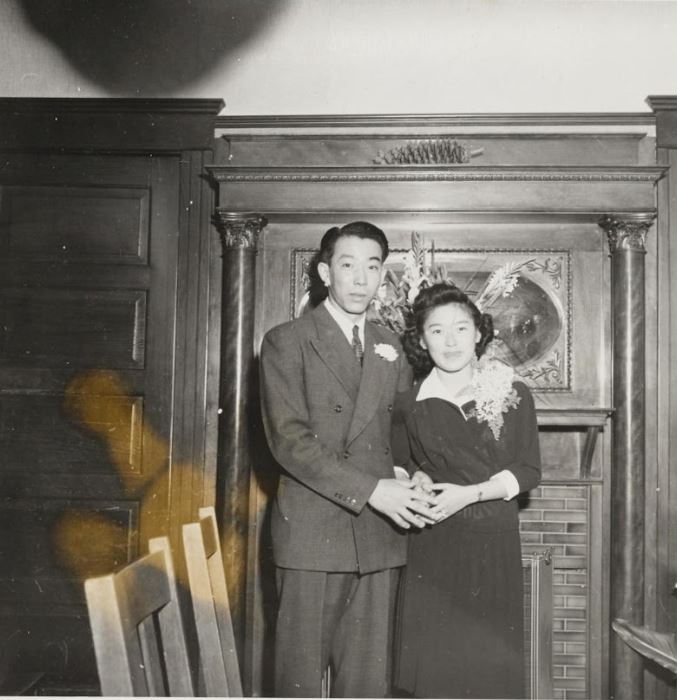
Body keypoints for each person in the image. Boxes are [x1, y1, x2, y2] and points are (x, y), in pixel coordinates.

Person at [259, 221, 435, 698]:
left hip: (378, 537)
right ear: (324, 272)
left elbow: (398, 434)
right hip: (313, 535)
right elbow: (290, 442)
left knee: (366, 684)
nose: (361, 278)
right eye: (347, 265)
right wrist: (376, 489)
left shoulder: (390, 346)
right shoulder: (286, 340)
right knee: (298, 679)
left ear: (383, 276)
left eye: (372, 266)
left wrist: (412, 474)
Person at [392, 282, 542, 700]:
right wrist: (414, 477)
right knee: (434, 671)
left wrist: (471, 494)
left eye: (461, 328)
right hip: (432, 545)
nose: (450, 340)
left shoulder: (513, 393)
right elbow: (400, 461)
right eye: (436, 330)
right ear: (421, 339)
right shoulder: (409, 402)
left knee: (486, 671)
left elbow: (528, 471)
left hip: (492, 543)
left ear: (479, 332)